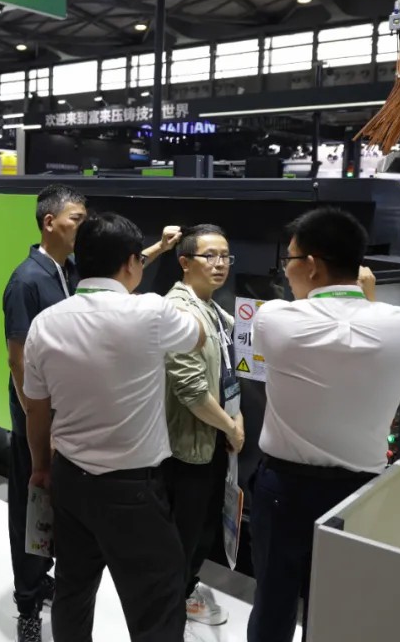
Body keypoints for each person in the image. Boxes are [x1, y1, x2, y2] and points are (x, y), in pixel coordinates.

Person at [3, 186, 186, 642]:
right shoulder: (151, 312)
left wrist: (41, 467)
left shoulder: (47, 323)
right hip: (132, 489)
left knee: (73, 589)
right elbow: (196, 338)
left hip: (69, 479)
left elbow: (36, 409)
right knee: (156, 604)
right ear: (131, 263)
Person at [246, 208, 400, 642]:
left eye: (290, 260)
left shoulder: (275, 318)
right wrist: (368, 301)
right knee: (339, 605)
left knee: (273, 600)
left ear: (312, 265)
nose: (285, 271)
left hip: (284, 490)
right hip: (360, 494)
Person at [3, 184, 87, 642]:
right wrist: (37, 424)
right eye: (77, 219)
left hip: (67, 417)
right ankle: (28, 604)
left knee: (59, 507)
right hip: (36, 422)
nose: (83, 226)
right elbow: (17, 361)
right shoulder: (26, 281)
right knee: (30, 509)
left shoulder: (69, 271)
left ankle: (43, 577)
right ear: (49, 222)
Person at [162, 225, 245, 640]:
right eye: (209, 256)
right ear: (184, 262)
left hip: (211, 439)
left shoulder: (211, 307)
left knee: (202, 530)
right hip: (188, 446)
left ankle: (183, 592)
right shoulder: (179, 311)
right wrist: (232, 426)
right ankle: (168, 613)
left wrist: (233, 420)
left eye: (225, 256)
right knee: (182, 535)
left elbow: (225, 371)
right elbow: (192, 390)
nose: (220, 264)